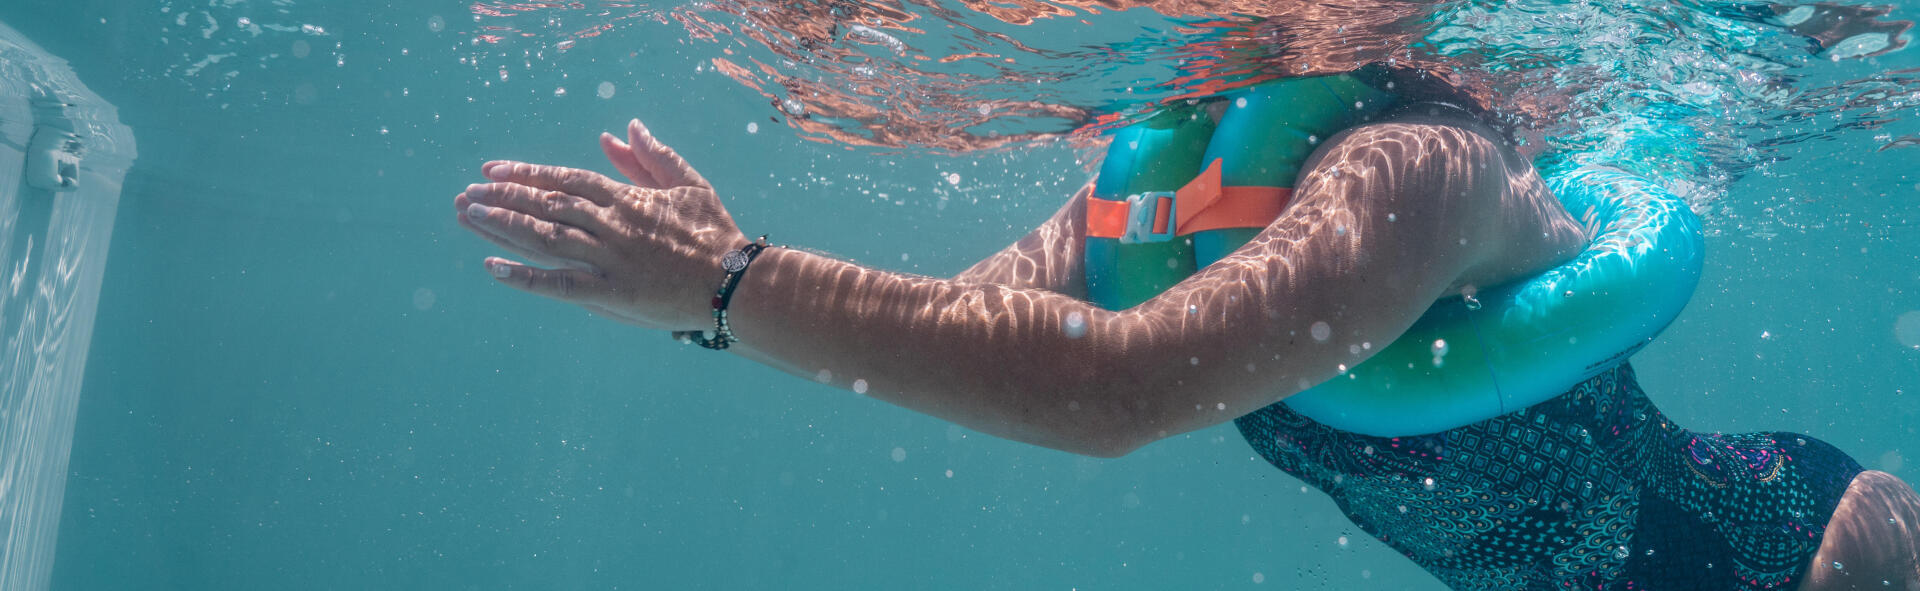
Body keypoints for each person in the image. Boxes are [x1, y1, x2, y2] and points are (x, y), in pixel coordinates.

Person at [451, 72, 1920, 589]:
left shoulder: (1415, 166)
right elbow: (963, 330)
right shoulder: (1162, 189)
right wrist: (708, 284)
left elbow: (1113, 395)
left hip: (1779, 550)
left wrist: (727, 283)